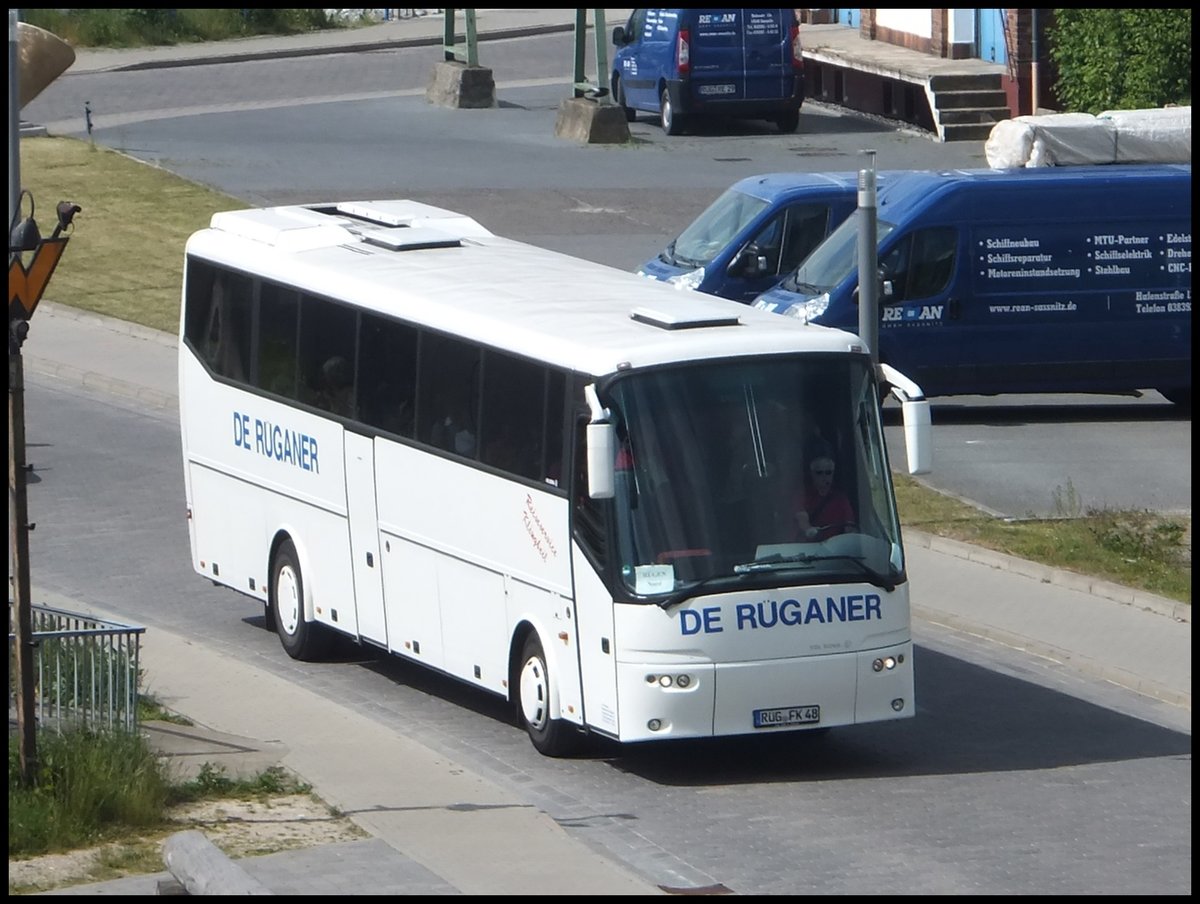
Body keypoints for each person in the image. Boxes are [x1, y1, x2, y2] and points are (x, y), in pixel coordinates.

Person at [792, 441, 856, 541]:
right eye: (819, 473)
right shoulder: (802, 496)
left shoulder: (841, 499)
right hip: (808, 550)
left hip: (834, 551)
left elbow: (849, 526)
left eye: (828, 472)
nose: (824, 477)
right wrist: (809, 530)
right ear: (811, 474)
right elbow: (802, 519)